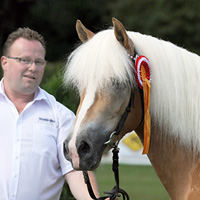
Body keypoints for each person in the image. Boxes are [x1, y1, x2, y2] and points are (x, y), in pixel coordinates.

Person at [0, 27, 99, 200]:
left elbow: (76, 173)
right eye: (25, 60)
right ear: (5, 62)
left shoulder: (62, 117)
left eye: (39, 62)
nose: (33, 68)